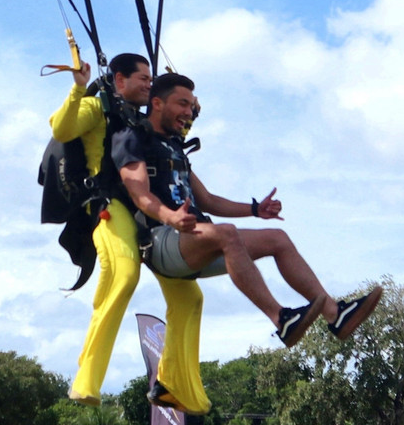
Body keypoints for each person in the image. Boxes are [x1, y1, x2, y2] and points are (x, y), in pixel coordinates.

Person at [113, 72, 382, 408]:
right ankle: (280, 319)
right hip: (161, 241)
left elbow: (208, 201)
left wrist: (256, 209)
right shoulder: (132, 138)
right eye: (182, 103)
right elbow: (139, 194)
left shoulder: (175, 148)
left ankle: (335, 316)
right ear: (157, 103)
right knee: (225, 234)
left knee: (277, 239)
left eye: (191, 105)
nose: (189, 111)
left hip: (195, 239)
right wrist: (171, 217)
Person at [48, 53, 180, 407]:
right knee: (123, 276)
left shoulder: (137, 119)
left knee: (185, 294)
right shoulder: (95, 107)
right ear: (120, 80)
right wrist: (77, 90)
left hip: (144, 208)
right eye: (143, 79)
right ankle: (86, 381)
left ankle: (173, 382)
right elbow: (62, 129)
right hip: (109, 206)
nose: (149, 84)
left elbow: (172, 135)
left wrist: (186, 106)